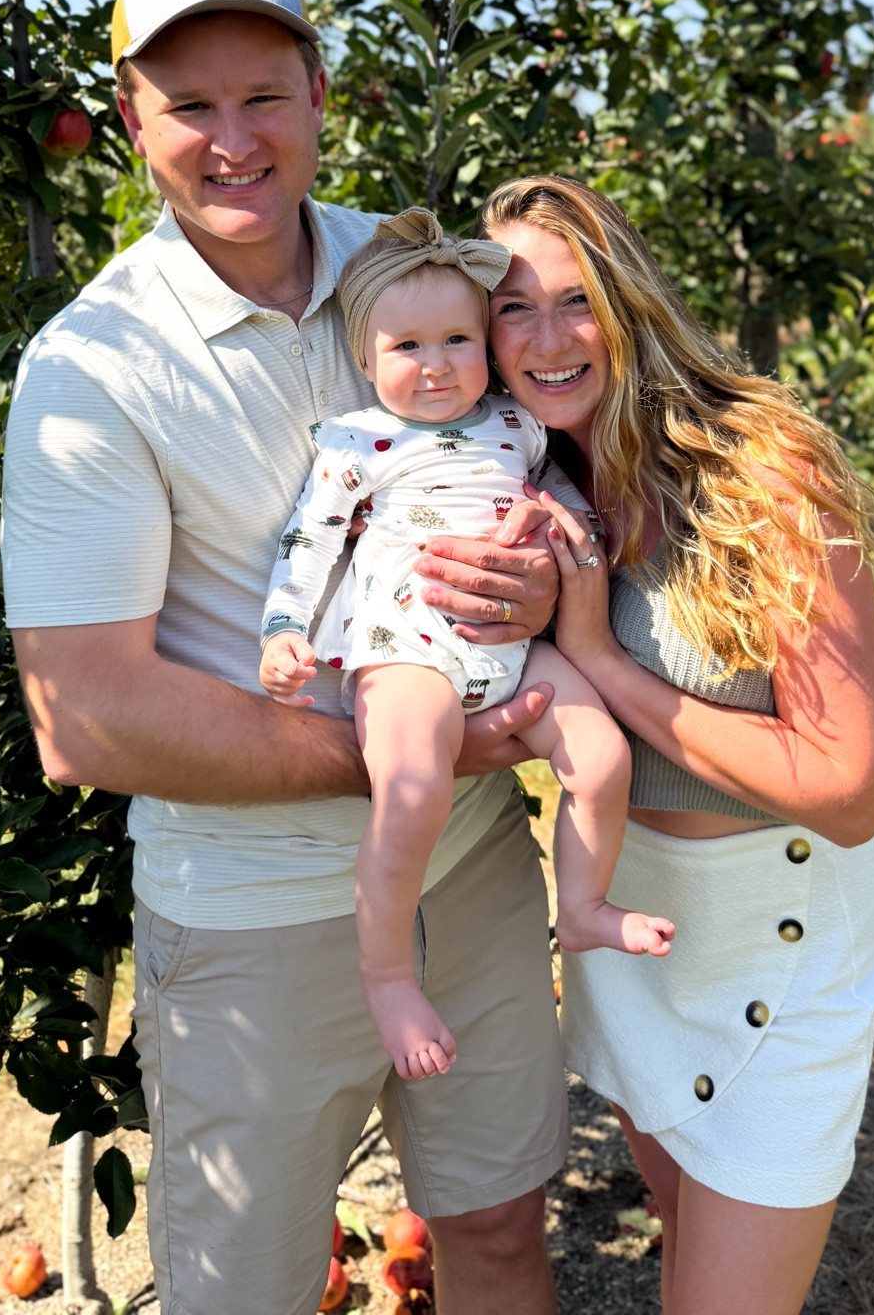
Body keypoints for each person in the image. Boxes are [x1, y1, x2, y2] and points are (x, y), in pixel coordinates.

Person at [1, 0, 569, 1315]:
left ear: (320, 91)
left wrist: (548, 582)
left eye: (263, 94)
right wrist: (418, 756)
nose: (233, 138)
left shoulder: (416, 273)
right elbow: (87, 718)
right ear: (130, 116)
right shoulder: (94, 368)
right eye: (190, 104)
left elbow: (553, 442)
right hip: (253, 918)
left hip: (471, 869)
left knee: (498, 1225)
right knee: (245, 1291)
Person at [480, 175, 874, 1315]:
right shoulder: (529, 476)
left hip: (781, 943)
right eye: (514, 309)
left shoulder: (761, 471)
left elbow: (848, 790)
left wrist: (601, 660)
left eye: (578, 300)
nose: (549, 339)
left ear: (629, 303)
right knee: (686, 1255)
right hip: (638, 937)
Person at [259, 208, 673, 1080]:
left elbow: (560, 493)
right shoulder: (357, 441)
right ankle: (388, 979)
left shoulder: (516, 424)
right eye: (407, 347)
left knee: (601, 757)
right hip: (406, 650)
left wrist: (567, 527)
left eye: (457, 339)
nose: (437, 364)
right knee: (411, 792)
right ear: (365, 357)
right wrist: (285, 629)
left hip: (513, 652)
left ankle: (585, 905)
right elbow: (311, 539)